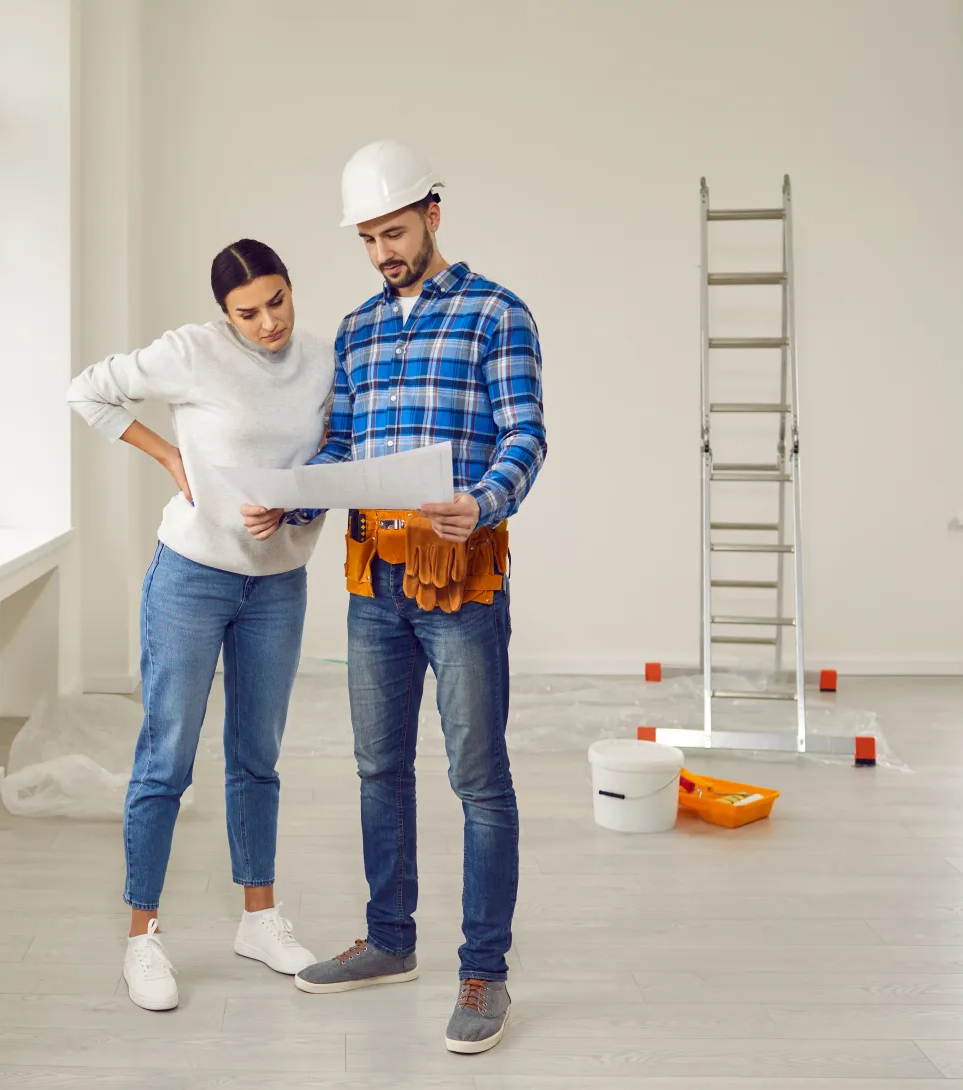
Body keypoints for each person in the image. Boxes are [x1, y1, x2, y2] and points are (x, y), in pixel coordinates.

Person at [246, 140, 546, 1054]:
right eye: (368, 237)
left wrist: (482, 501)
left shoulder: (498, 313)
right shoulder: (356, 330)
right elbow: (344, 451)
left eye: (395, 230)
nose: (382, 250)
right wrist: (293, 489)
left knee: (477, 778)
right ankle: (389, 941)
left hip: (461, 576)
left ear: (433, 214)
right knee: (379, 769)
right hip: (372, 580)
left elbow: (525, 436)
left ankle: (484, 974)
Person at [67, 239, 334, 1013]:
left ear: (291, 289)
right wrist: (167, 456)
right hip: (191, 577)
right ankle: (142, 938)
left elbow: (332, 457)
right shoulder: (191, 353)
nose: (268, 322)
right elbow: (88, 392)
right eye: (247, 312)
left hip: (278, 583)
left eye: (277, 301)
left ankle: (258, 918)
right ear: (224, 313)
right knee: (167, 757)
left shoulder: (324, 360)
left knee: (258, 756)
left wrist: (297, 503)